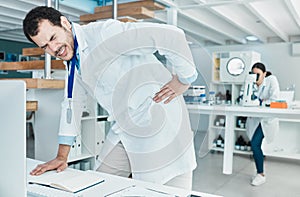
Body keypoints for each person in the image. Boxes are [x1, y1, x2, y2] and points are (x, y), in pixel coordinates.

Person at [23, 6, 198, 189]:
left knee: (164, 188)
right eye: (45, 47)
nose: (53, 49)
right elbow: (72, 103)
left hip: (158, 120)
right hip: (125, 127)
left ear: (65, 23)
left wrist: (185, 79)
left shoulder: (104, 33)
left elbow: (171, 37)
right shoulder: (74, 62)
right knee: (100, 183)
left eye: (53, 38)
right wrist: (61, 156)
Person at [246, 62, 280, 186]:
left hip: (266, 119)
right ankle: (260, 172)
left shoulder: (271, 80)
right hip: (255, 119)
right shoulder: (251, 84)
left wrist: (259, 101)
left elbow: (274, 99)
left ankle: (261, 174)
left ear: (264, 74)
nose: (255, 77)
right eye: (253, 74)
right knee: (254, 145)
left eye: (258, 75)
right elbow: (244, 98)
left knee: (255, 144)